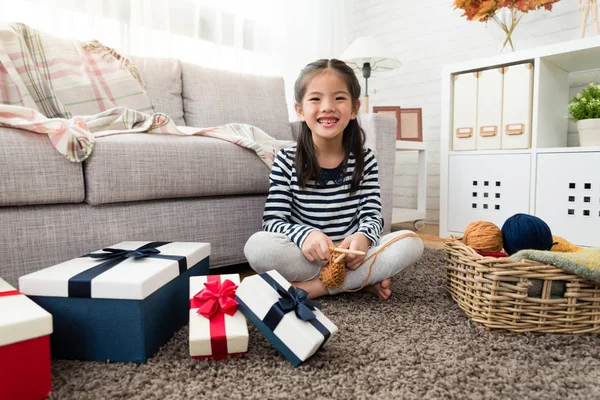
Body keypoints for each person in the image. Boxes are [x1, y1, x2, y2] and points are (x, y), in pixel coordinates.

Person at [244, 59, 424, 300]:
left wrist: (363, 237)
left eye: (339, 98)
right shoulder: (286, 159)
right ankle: (358, 283)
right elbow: (273, 221)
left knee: (411, 242)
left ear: (353, 108)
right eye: (316, 99)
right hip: (306, 256)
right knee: (257, 246)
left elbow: (372, 216)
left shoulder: (365, 159)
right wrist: (306, 235)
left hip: (352, 258)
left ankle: (315, 288)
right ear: (300, 110)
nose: (327, 107)